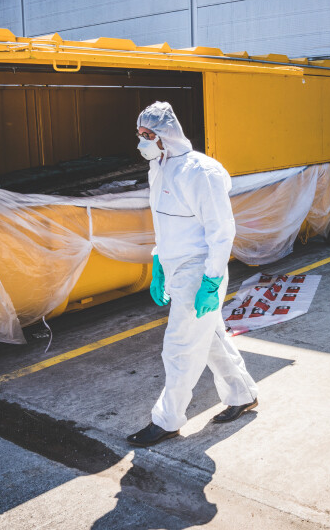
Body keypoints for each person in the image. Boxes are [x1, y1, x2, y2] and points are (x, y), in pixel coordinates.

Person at [127, 101, 258, 447]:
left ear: (165, 135)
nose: (141, 141)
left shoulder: (202, 172)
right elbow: (164, 222)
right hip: (176, 267)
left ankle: (167, 419)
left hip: (200, 271)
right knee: (211, 339)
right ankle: (242, 394)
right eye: (139, 134)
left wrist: (212, 281)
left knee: (180, 347)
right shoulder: (159, 167)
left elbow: (221, 231)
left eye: (147, 135)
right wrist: (159, 263)